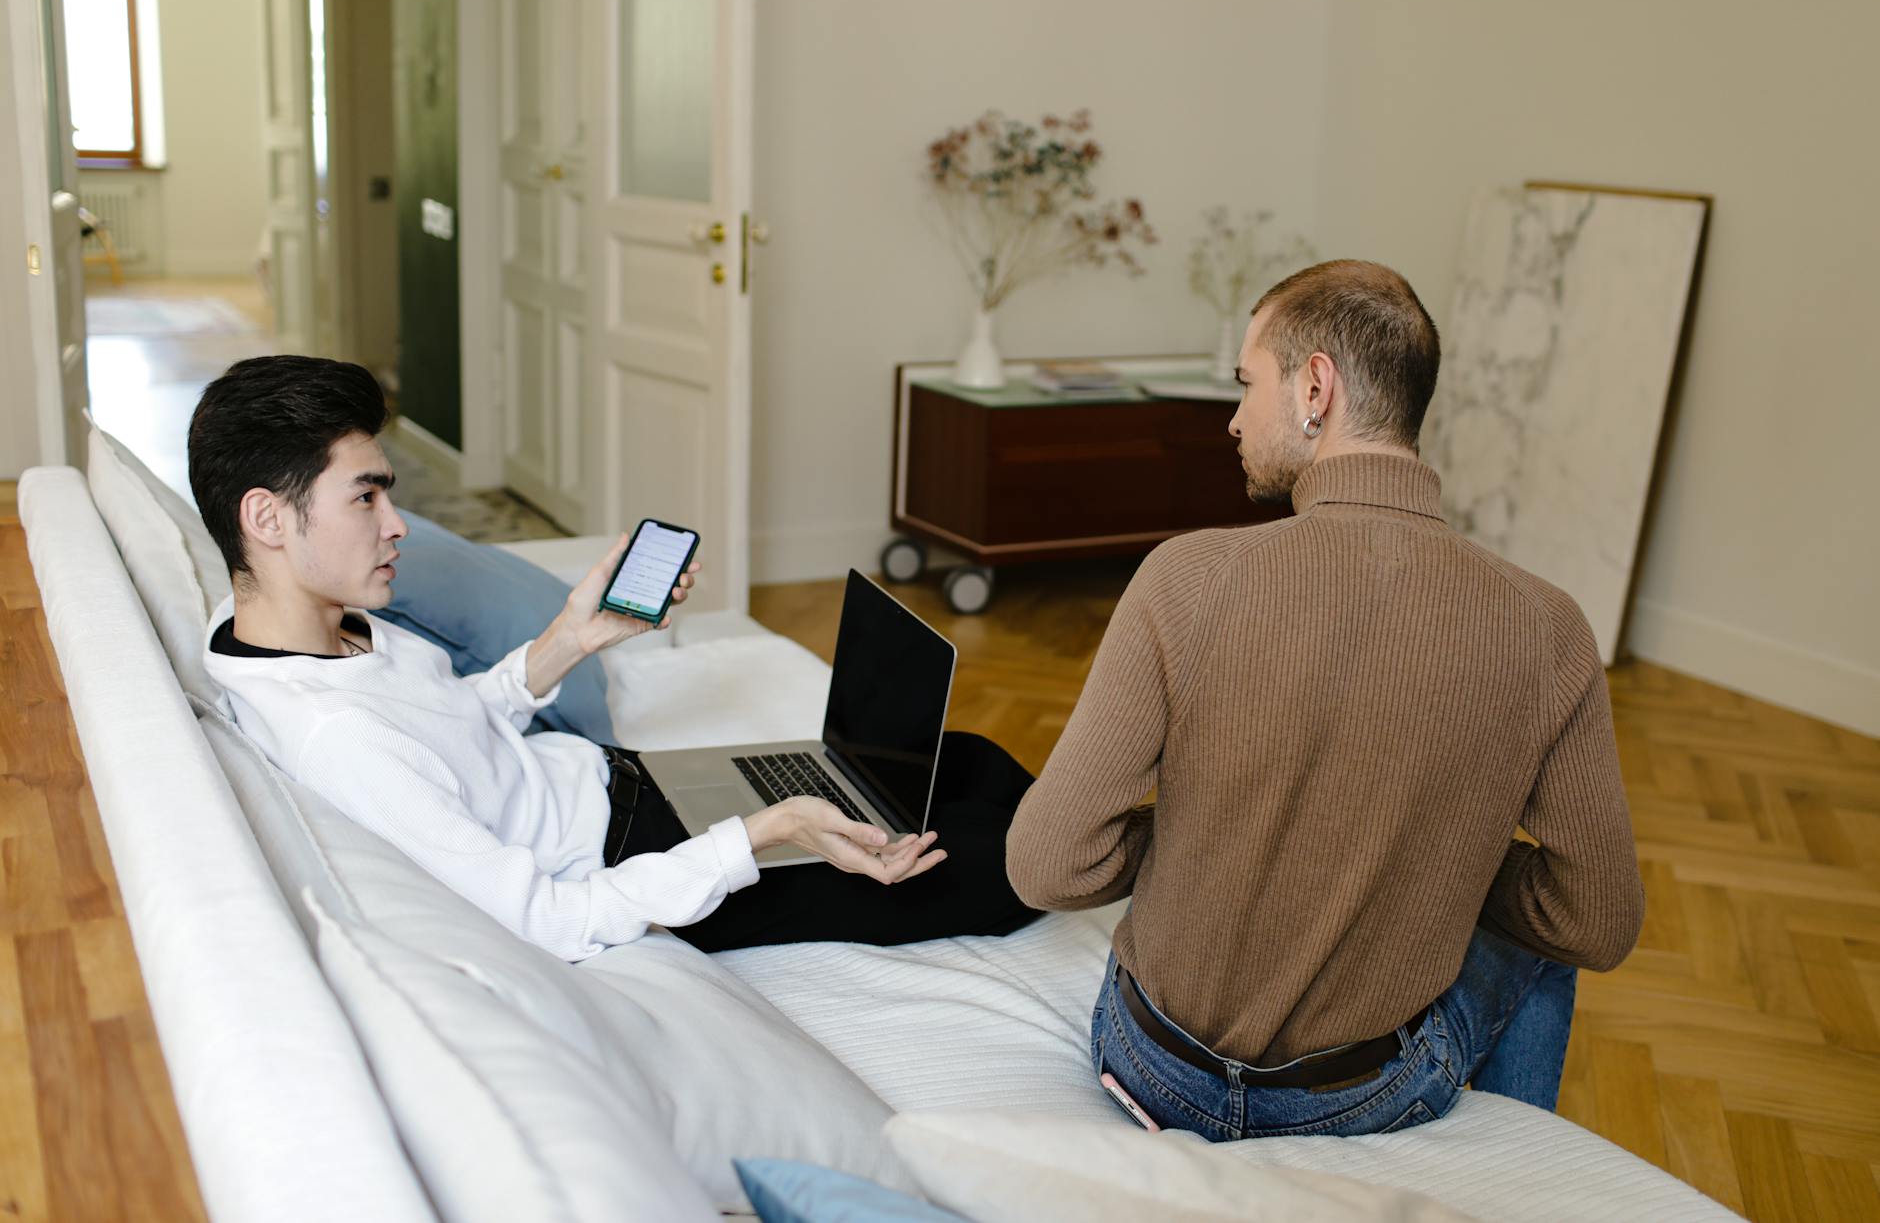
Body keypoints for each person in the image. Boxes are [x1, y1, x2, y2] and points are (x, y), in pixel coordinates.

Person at [1006, 260, 1644, 1140]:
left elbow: (1045, 863)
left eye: (1246, 384)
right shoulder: (1549, 626)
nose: (1233, 419)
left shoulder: (1186, 577)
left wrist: (1219, 837)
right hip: (1356, 1098)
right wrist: (1428, 862)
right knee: (1540, 947)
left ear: (1316, 386)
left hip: (1153, 1067)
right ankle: (1505, 1168)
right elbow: (1597, 920)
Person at [190, 355, 1040, 960]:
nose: (396, 524)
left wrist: (575, 634)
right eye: (365, 496)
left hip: (622, 782)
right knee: (1007, 861)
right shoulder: (333, 735)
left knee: (964, 760)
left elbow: (456, 726)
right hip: (647, 866)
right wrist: (760, 833)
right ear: (266, 519)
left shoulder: (279, 623)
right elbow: (552, 919)